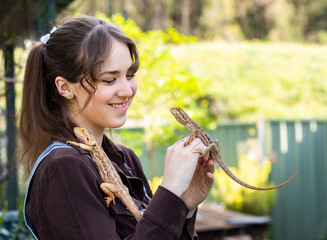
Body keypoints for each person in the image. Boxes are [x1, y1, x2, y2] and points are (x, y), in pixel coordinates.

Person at [19, 16, 215, 240]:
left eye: (130, 75)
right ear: (65, 87)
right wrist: (169, 191)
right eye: (109, 80)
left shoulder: (125, 158)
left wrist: (183, 205)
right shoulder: (63, 166)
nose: (127, 90)